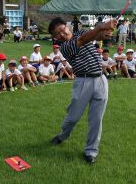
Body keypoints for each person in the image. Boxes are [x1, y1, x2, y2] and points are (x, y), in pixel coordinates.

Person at [48, 16, 116, 164]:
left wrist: (107, 30)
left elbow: (98, 35)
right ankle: (62, 135)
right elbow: (83, 40)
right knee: (73, 117)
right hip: (83, 82)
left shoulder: (82, 33)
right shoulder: (65, 47)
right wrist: (100, 26)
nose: (61, 35)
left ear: (67, 27)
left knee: (96, 119)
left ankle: (91, 150)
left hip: (100, 79)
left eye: (62, 30)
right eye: (57, 34)